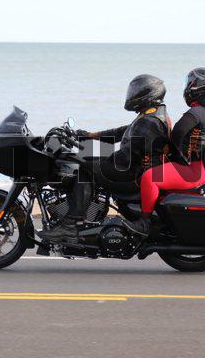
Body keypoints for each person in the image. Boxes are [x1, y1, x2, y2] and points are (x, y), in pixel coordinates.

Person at [39, 74, 171, 241]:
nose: (132, 95)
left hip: (133, 173)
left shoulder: (150, 122)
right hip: (135, 168)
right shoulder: (151, 114)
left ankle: (70, 224)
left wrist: (93, 160)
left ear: (148, 95)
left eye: (136, 92)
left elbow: (124, 159)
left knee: (84, 167)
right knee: (88, 162)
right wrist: (88, 135)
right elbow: (121, 132)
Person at [134, 67, 205, 232]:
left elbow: (178, 133)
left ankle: (144, 222)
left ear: (194, 85)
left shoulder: (197, 111)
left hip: (191, 171)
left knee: (149, 177)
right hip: (197, 170)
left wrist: (175, 155)